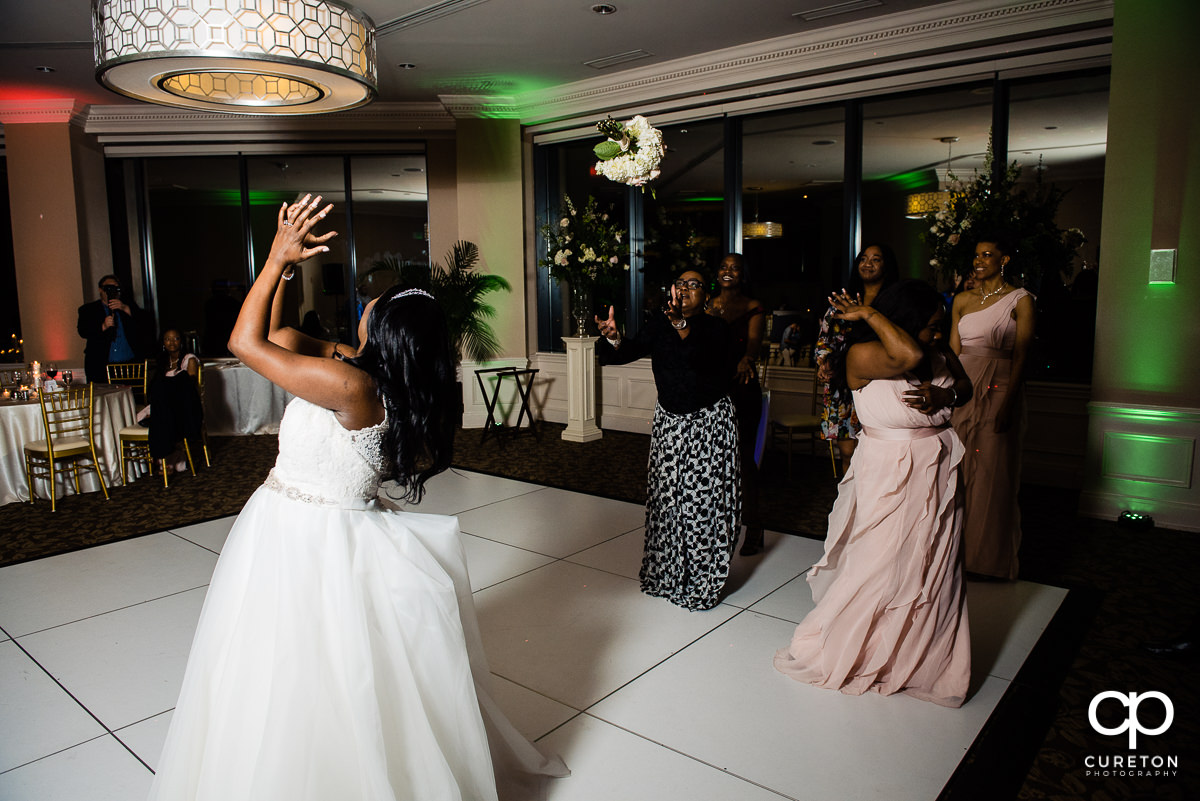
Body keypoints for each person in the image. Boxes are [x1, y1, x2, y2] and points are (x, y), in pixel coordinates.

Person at [148, 195, 567, 801]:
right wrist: (288, 272)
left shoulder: (351, 384)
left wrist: (272, 260)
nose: (367, 301)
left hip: (305, 536)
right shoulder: (361, 369)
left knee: (300, 666)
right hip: (312, 525)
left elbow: (244, 344)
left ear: (385, 326)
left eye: (376, 302)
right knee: (317, 667)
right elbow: (278, 334)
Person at [774, 280, 973, 707]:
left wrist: (947, 392)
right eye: (930, 326)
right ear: (904, 321)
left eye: (939, 327)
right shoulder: (863, 355)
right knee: (882, 560)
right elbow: (909, 355)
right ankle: (864, 650)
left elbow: (966, 387)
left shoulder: (935, 346)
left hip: (938, 465)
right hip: (890, 468)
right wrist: (868, 314)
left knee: (933, 560)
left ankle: (920, 658)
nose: (937, 335)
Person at [595, 269, 740, 611]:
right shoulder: (659, 323)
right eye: (680, 283)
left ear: (706, 295)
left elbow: (699, 358)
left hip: (708, 425)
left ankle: (704, 577)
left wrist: (680, 326)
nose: (686, 289)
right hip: (671, 425)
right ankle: (670, 574)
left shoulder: (717, 329)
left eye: (694, 285)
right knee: (670, 501)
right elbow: (622, 353)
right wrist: (614, 337)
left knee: (701, 504)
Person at [950, 235, 1036, 580]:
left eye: (987, 254)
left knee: (990, 472)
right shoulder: (961, 300)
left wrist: (1009, 403)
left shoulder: (1021, 300)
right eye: (976, 255)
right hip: (963, 389)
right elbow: (953, 356)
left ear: (1005, 260)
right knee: (956, 469)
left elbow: (1022, 356)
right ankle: (951, 550)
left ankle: (985, 559)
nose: (979, 260)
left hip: (998, 388)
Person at [814, 243, 900, 467]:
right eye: (863, 259)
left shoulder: (894, 304)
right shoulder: (842, 304)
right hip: (843, 386)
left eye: (876, 259)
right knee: (848, 454)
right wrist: (823, 363)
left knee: (874, 454)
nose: (867, 263)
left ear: (887, 265)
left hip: (879, 383)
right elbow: (824, 342)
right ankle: (852, 501)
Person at [708, 253, 767, 556]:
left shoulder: (752, 307)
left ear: (743, 275)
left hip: (742, 387)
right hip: (710, 390)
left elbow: (755, 340)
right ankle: (717, 524)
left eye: (735, 268)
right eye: (723, 266)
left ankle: (754, 528)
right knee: (713, 461)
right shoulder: (706, 305)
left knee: (743, 459)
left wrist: (748, 358)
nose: (728, 271)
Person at [146, 328, 204, 473]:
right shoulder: (162, 361)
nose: (172, 342)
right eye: (167, 339)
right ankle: (166, 456)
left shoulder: (189, 359)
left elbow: (189, 387)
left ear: (181, 341)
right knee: (160, 413)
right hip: (165, 406)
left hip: (186, 406)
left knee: (162, 416)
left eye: (176, 338)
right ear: (163, 342)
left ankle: (165, 457)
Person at [76, 274, 152, 383]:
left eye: (116, 288)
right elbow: (82, 331)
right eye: (108, 288)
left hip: (128, 366)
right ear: (100, 290)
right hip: (101, 366)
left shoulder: (127, 306)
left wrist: (125, 308)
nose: (112, 291)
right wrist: (102, 326)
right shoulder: (88, 310)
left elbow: (146, 325)